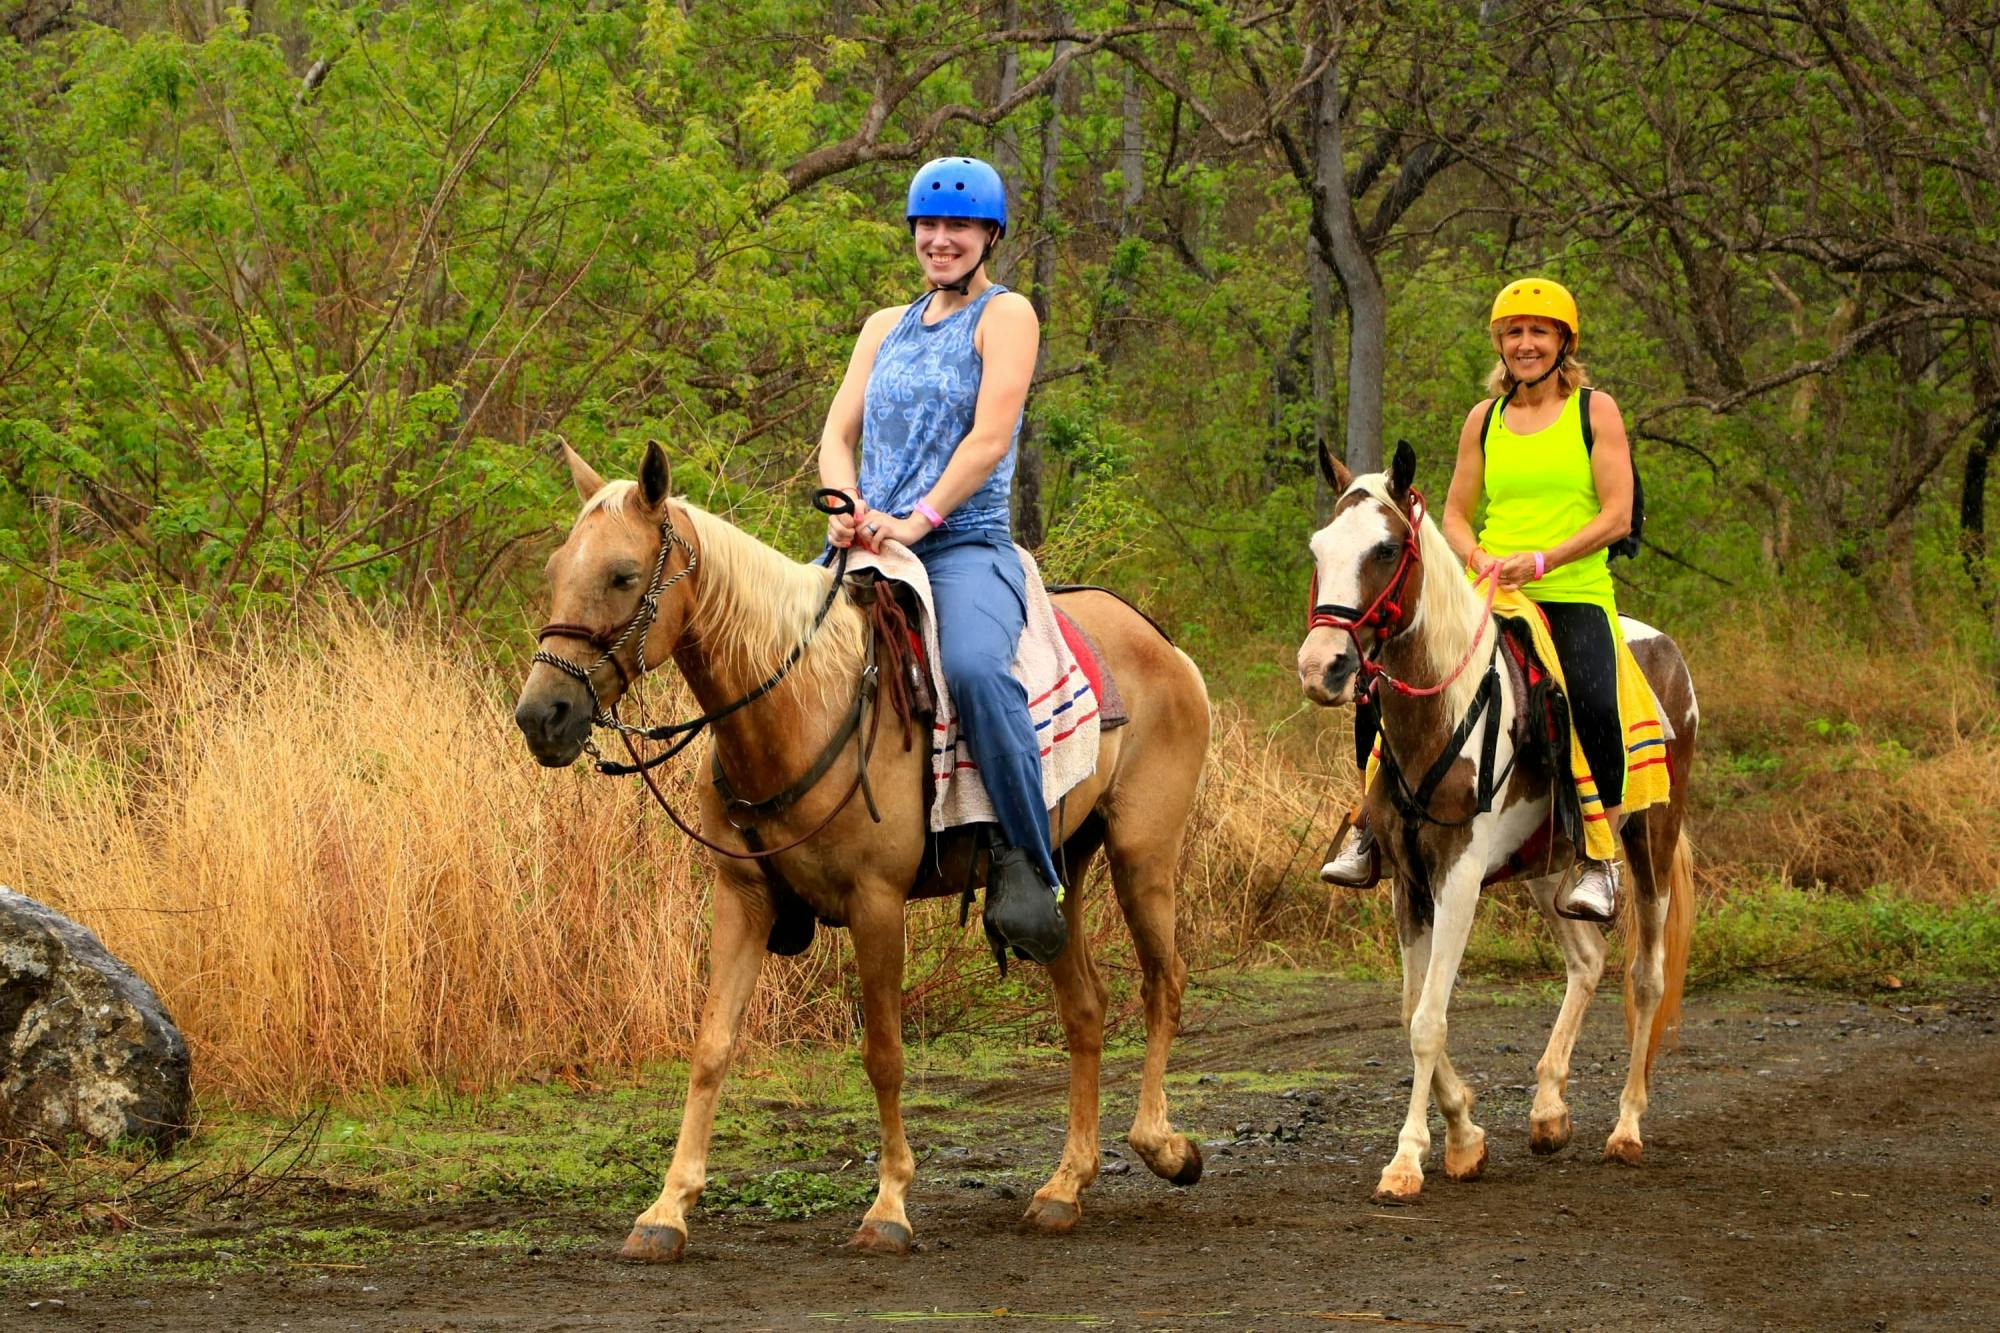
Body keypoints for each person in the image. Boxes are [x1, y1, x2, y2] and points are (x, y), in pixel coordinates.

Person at [814, 155, 1067, 963]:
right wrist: (847, 506)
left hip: (962, 544)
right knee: (766, 654)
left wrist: (917, 522)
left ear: (989, 234)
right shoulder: (882, 325)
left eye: (958, 226)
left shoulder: (1007, 314)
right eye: (928, 225)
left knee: (977, 670)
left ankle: (1026, 861)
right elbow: (835, 435)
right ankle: (773, 850)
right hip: (866, 542)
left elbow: (991, 438)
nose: (940, 239)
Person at [1324, 278, 1635, 922]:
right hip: (1487, 594)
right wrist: (1475, 557)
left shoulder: (1594, 412)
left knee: (1595, 700)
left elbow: (1617, 515)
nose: (1525, 344)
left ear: (1562, 342)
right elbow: (1457, 515)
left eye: (1539, 332)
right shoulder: (1484, 419)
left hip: (1570, 590)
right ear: (1501, 343)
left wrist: (1544, 559)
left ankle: (1598, 859)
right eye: (1514, 333)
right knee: (1379, 683)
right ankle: (1368, 828)